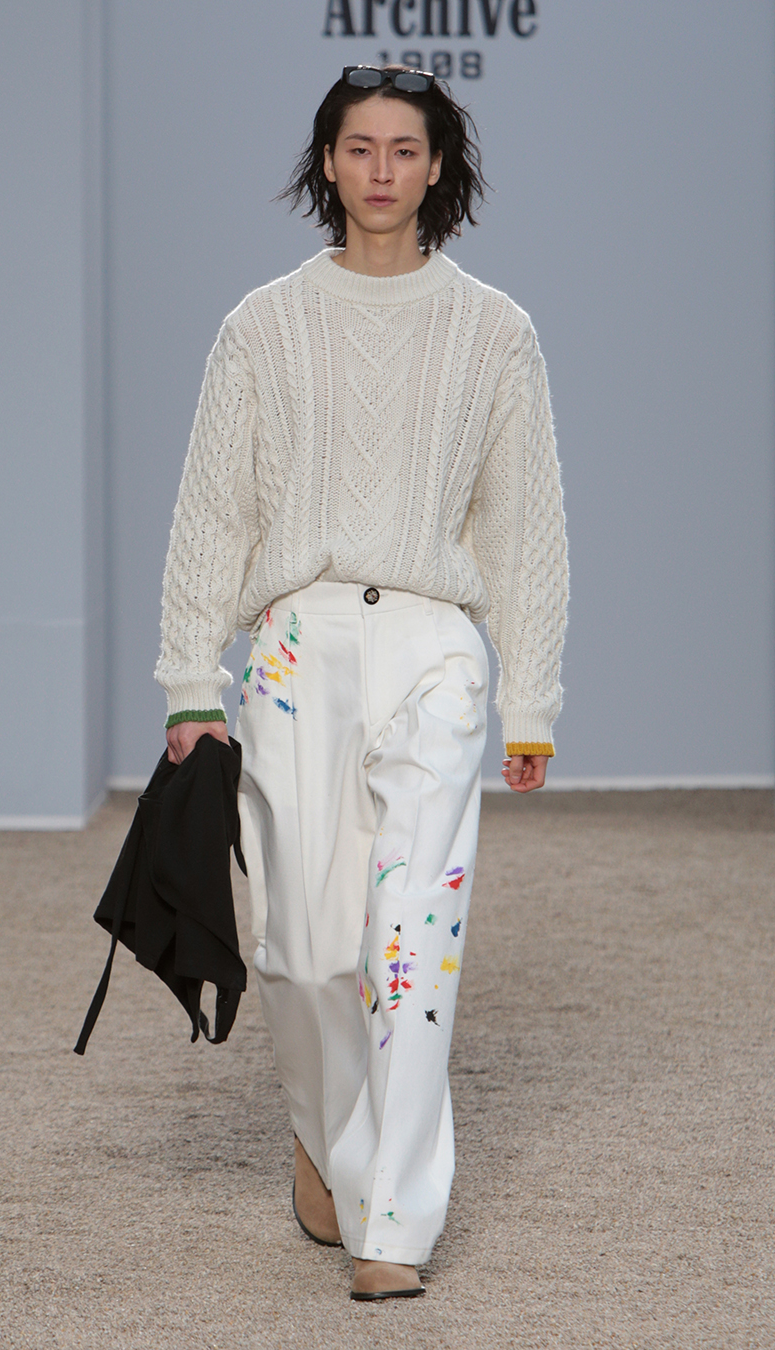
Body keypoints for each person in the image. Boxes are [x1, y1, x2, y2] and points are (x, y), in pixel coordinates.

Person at [156, 64, 568, 1301]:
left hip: (435, 644)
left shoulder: (494, 330)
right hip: (296, 644)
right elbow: (214, 512)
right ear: (326, 163)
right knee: (302, 950)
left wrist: (531, 697)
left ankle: (394, 1220)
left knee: (409, 942)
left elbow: (524, 525)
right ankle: (323, 1135)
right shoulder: (262, 325)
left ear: (438, 168)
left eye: (404, 149)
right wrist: (190, 681)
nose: (380, 170)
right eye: (357, 147)